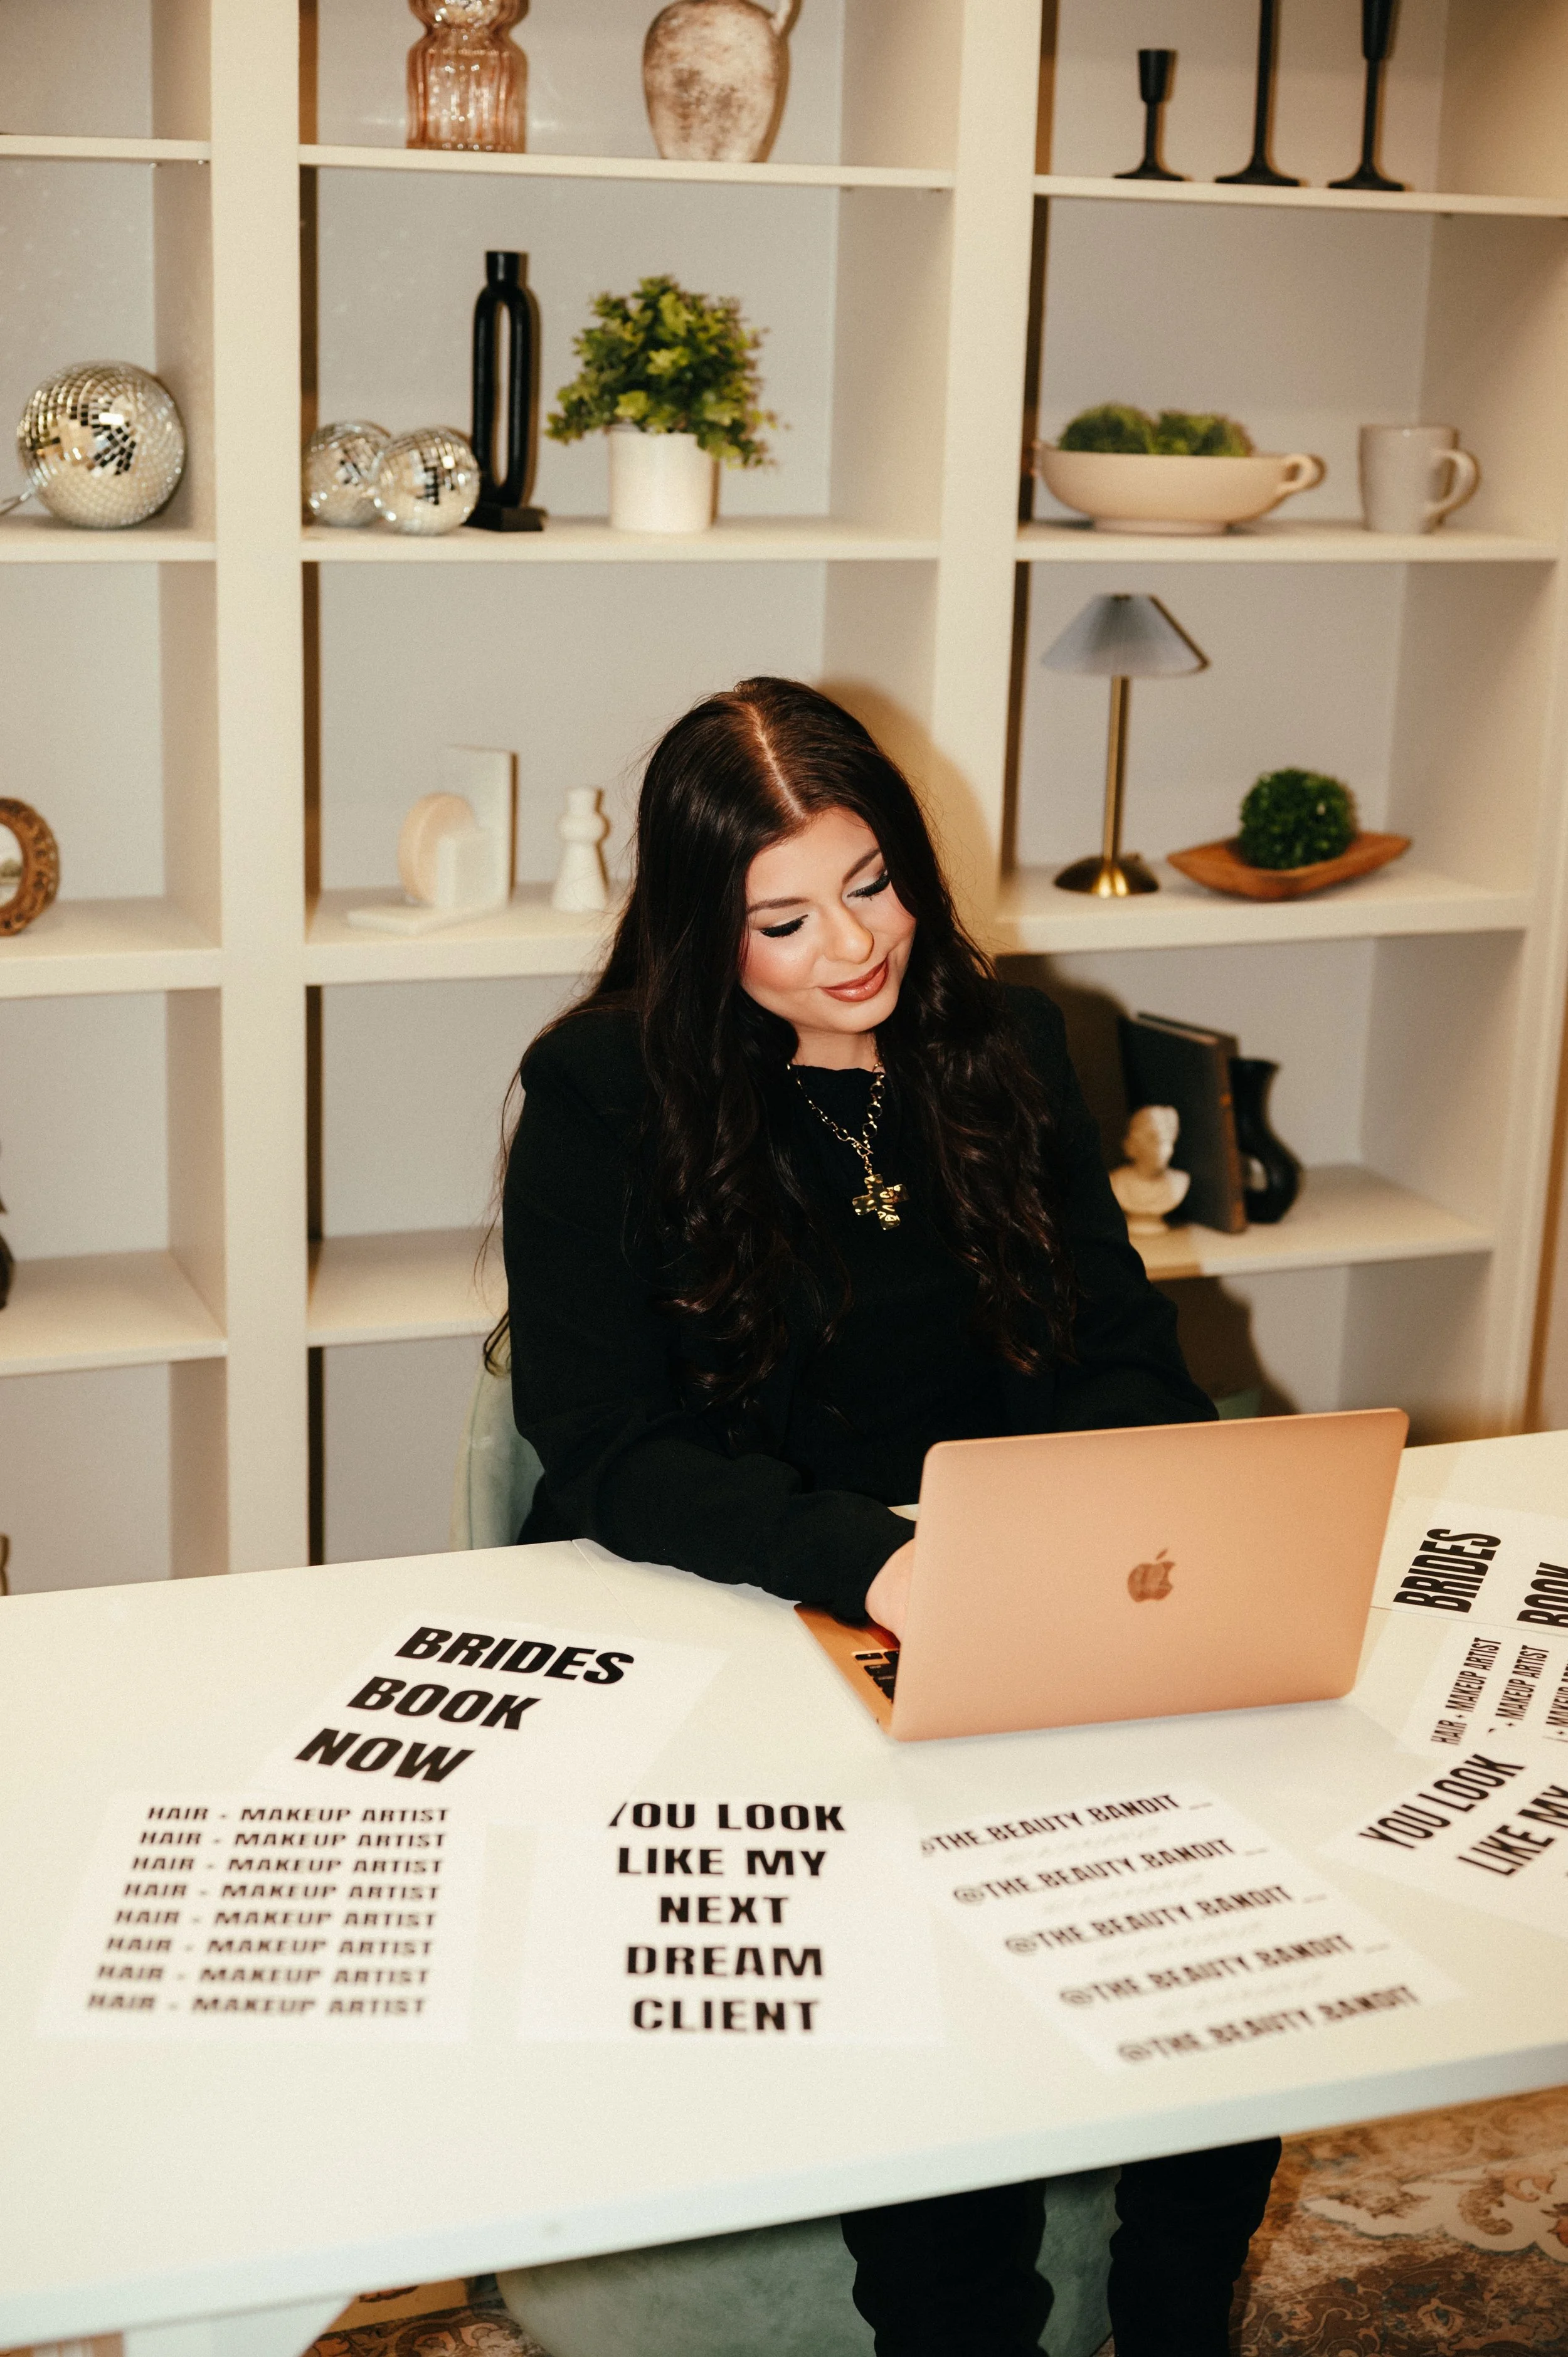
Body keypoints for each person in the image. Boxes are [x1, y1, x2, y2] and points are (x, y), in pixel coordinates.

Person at [499, 677, 1279, 2357]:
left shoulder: (996, 1041)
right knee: (921, 1958)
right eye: (782, 918)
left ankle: (1173, 2312)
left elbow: (1116, 1347)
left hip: (1006, 1579)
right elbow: (602, 1447)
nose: (849, 944)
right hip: (750, 1598)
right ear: (703, 927)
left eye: (871, 882)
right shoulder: (600, 1094)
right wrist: (881, 1559)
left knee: (1228, 1908)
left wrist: (1124, 1525)